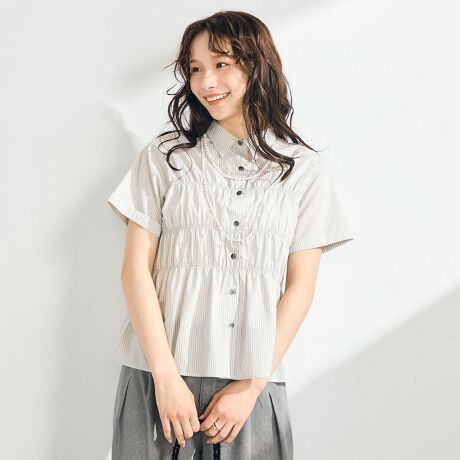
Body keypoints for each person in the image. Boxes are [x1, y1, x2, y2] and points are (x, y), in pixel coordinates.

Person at [107, 10, 354, 460]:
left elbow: (301, 287)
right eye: (195, 68)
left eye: (221, 64)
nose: (206, 82)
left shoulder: (304, 171)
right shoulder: (165, 157)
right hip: (157, 380)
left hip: (250, 388)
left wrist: (251, 385)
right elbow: (134, 271)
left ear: (256, 65)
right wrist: (166, 379)